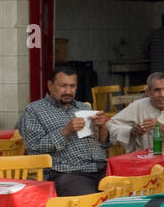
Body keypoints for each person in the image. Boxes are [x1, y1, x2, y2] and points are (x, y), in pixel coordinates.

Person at [18, 66, 109, 196]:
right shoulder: (34, 110)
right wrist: (66, 130)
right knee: (92, 202)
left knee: (126, 197)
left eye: (72, 86)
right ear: (50, 85)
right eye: (63, 86)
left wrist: (102, 127)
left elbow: (103, 144)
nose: (68, 91)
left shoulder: (83, 107)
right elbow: (33, 148)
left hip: (101, 168)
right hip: (67, 172)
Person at [107, 72, 164, 153]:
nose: (162, 94)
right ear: (148, 92)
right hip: (143, 161)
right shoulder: (138, 106)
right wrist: (131, 131)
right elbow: (110, 125)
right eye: (157, 90)